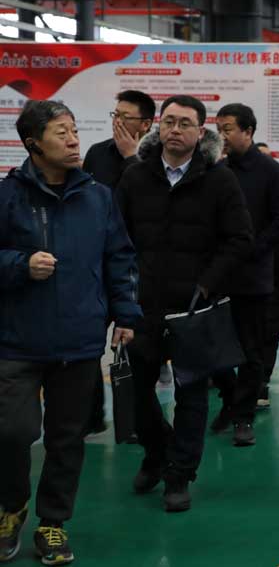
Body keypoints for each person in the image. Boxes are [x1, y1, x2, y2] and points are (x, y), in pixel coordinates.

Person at [0, 101, 142, 566]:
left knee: (66, 438)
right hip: (16, 340)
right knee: (12, 432)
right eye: (60, 132)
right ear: (33, 144)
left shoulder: (98, 196)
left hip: (79, 339)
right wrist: (20, 265)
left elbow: (119, 258)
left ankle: (53, 522)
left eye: (74, 130)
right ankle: (11, 506)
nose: (73, 139)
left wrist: (125, 314)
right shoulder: (8, 196)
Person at [116, 94, 252, 512]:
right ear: (159, 126)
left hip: (195, 308)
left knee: (192, 393)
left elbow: (239, 239)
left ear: (200, 130)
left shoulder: (219, 179)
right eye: (169, 121)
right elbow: (116, 237)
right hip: (143, 306)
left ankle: (179, 473)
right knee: (138, 395)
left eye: (185, 123)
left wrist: (207, 285)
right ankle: (156, 453)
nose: (175, 130)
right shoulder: (136, 176)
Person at [210, 104, 279, 446]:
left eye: (228, 129)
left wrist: (249, 250)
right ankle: (231, 399)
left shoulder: (271, 172)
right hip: (217, 276)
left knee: (251, 352)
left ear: (248, 131)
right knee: (209, 349)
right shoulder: (216, 170)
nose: (222, 136)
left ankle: (243, 416)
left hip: (254, 277)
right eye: (219, 129)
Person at [80, 89, 156, 432]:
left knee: (136, 348)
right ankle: (91, 417)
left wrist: (131, 158)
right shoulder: (97, 153)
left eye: (125, 117)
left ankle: (139, 423)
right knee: (89, 344)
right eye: (115, 115)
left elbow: (150, 205)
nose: (117, 122)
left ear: (146, 124)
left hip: (139, 267)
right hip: (97, 262)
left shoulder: (156, 157)